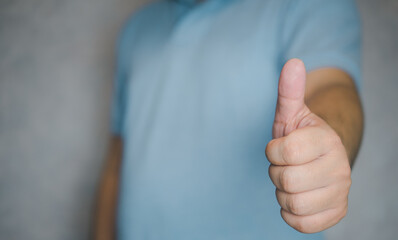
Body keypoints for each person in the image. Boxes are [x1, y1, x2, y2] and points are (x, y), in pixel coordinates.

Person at [94, 0, 364, 239]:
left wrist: (326, 146)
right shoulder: (135, 29)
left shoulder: (309, 4)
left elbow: (331, 87)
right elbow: (118, 162)